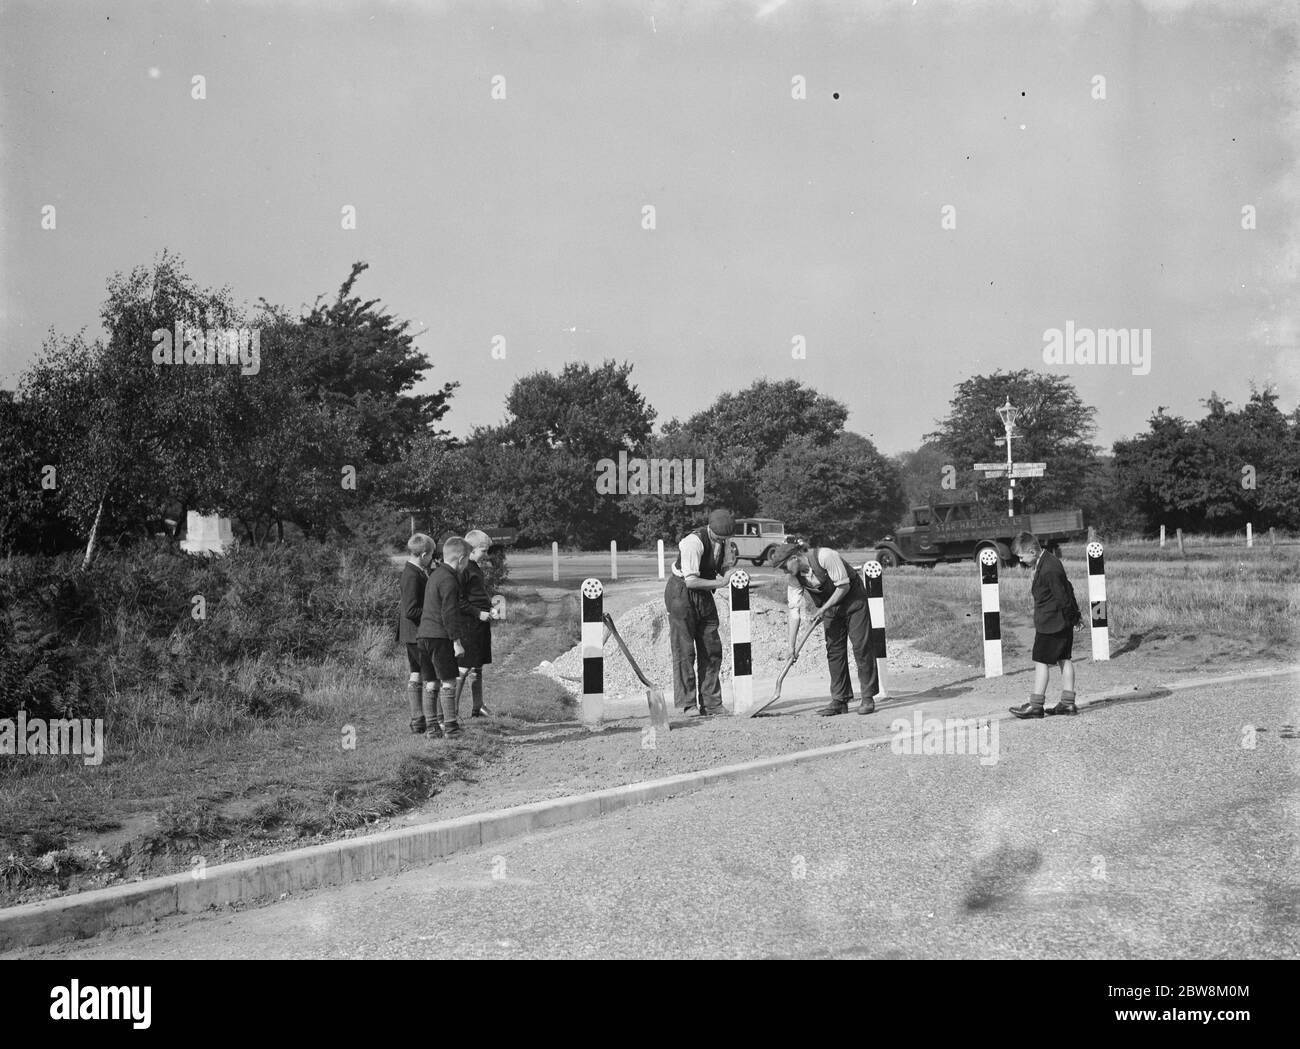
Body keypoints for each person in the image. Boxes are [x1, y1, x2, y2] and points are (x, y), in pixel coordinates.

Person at [770, 541, 880, 716]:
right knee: (834, 651)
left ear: (794, 558)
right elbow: (794, 612)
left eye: (784, 566)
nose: (784, 571)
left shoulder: (826, 556)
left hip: (853, 601)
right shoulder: (794, 578)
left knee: (861, 647)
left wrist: (823, 609)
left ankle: (868, 697)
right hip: (829, 609)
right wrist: (791, 646)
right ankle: (840, 700)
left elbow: (843, 587)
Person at [665, 509, 738, 717]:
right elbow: (691, 580)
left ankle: (712, 703)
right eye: (719, 537)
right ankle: (688, 704)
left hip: (704, 594)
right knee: (684, 651)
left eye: (726, 538)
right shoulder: (692, 543)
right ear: (710, 529)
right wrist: (722, 582)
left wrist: (730, 573)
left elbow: (723, 566)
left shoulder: (725, 542)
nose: (723, 541)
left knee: (711, 648)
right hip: (681, 593)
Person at [1009, 531, 1081, 718]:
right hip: (1059, 621)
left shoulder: (1049, 568)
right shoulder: (1048, 561)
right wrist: (1074, 617)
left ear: (1032, 551)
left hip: (1052, 623)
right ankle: (1067, 703)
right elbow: (1068, 587)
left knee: (1041, 661)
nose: (1021, 560)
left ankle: (1036, 705)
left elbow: (1063, 595)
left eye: (1021, 556)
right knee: (1064, 659)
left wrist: (1074, 617)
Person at [418, 536, 469, 738]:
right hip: (440, 637)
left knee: (431, 683)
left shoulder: (435, 574)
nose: (466, 566)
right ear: (462, 558)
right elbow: (449, 613)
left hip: (423, 636)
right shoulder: (449, 580)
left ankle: (432, 728)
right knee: (449, 682)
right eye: (466, 562)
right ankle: (451, 728)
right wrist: (456, 642)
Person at [398, 533, 437, 734]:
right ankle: (430, 721)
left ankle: (418, 719)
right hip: (416, 634)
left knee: (416, 673)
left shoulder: (417, 570)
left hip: (412, 634)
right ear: (423, 554)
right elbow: (411, 610)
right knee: (430, 675)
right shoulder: (412, 575)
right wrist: (433, 612)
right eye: (431, 555)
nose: (432, 558)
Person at [457, 529, 496, 718]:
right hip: (468, 625)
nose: (486, 555)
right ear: (471, 549)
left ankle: (478, 706)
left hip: (481, 624)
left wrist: (490, 607)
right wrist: (477, 613)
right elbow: (459, 600)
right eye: (483, 550)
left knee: (478, 665)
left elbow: (478, 594)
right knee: (463, 668)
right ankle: (452, 711)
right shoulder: (463, 569)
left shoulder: (475, 567)